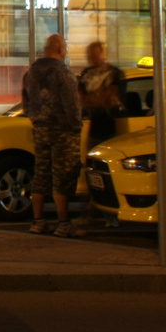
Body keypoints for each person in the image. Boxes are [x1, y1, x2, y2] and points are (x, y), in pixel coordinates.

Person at [22, 33, 83, 237]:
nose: (65, 49)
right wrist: (76, 126)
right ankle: (63, 223)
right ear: (59, 48)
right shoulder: (63, 72)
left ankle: (38, 221)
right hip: (62, 129)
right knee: (62, 175)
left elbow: (26, 101)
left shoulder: (31, 72)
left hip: (40, 129)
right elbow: (71, 104)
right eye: (64, 46)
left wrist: (35, 118)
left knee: (41, 172)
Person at [78, 41, 127, 147]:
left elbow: (110, 100)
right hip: (93, 130)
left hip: (111, 129)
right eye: (90, 56)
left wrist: (92, 99)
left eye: (94, 55)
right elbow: (81, 100)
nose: (91, 58)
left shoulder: (114, 73)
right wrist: (99, 99)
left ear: (102, 54)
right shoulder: (86, 73)